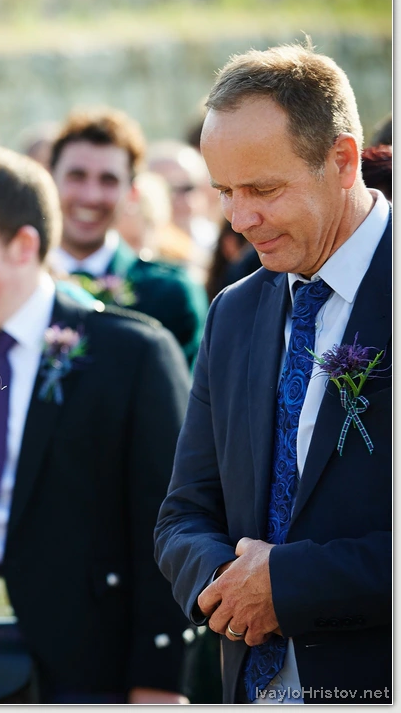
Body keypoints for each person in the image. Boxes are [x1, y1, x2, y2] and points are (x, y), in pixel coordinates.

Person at [0, 147, 191, 704]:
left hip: (82, 662)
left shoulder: (130, 354)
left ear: (24, 245)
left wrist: (158, 678)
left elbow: (164, 521)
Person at [155, 43, 391, 704]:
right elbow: (183, 514)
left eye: (262, 189)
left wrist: (287, 586)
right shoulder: (234, 311)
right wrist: (226, 585)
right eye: (224, 192)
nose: (239, 219)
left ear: (342, 161)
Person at [46, 107, 209, 364]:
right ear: (50, 180)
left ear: (132, 193)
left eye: (108, 180)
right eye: (76, 176)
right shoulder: (15, 284)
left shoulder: (169, 294)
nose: (90, 196)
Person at [148, 139, 219, 278]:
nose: (177, 199)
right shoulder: (138, 247)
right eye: (167, 189)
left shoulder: (218, 242)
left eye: (187, 188)